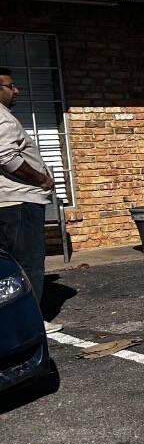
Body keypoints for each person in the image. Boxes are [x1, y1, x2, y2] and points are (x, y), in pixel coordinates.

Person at [0, 65, 57, 326]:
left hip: (8, 203)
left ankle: (13, 320)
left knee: (9, 266)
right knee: (28, 264)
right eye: (10, 86)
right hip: (20, 201)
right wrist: (42, 179)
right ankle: (30, 323)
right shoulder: (2, 118)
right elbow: (7, 158)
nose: (16, 90)